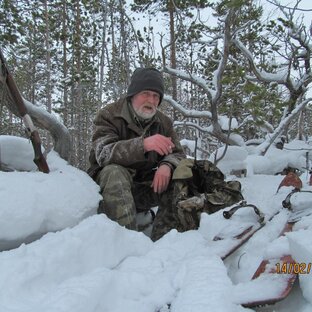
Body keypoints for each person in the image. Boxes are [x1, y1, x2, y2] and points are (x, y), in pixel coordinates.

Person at [87, 68, 186, 241]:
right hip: (109, 190)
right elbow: (103, 153)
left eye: (156, 96)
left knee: (183, 176)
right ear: (132, 94)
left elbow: (178, 154)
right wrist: (143, 144)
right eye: (145, 94)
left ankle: (166, 242)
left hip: (142, 188)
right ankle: (128, 244)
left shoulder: (163, 122)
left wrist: (167, 165)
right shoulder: (109, 115)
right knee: (114, 171)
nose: (151, 100)